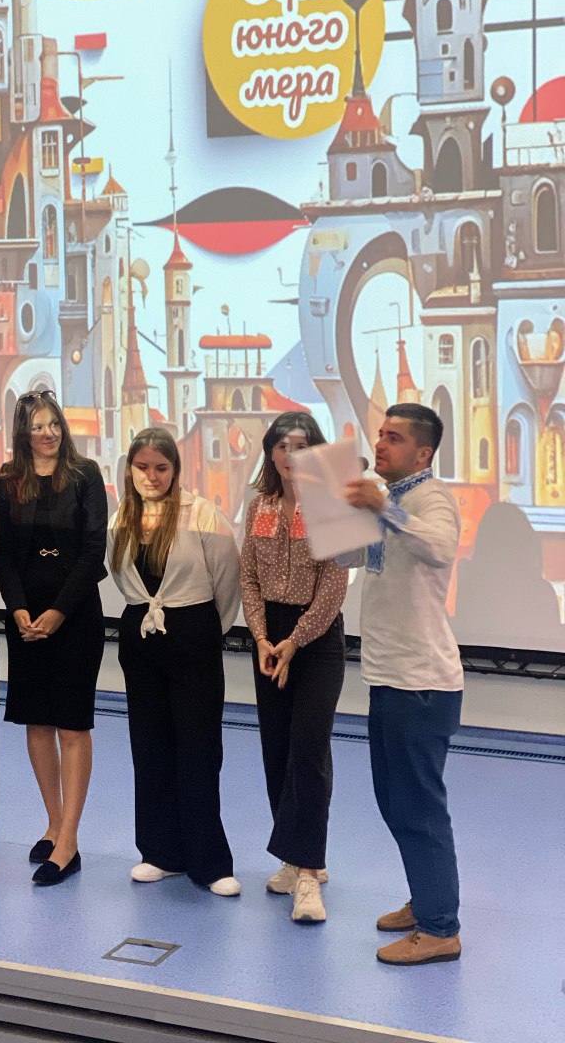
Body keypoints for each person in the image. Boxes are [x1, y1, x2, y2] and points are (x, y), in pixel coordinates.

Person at [344, 403, 463, 965]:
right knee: (395, 803)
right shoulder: (389, 500)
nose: (380, 444)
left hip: (421, 684)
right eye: (380, 434)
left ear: (423, 453)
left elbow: (439, 547)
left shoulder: (430, 498)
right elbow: (349, 558)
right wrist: (333, 510)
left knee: (419, 808)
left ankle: (440, 928)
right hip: (389, 677)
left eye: (393, 438)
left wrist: (381, 508)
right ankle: (427, 899)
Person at [108, 427, 242, 897]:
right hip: (141, 639)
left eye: (161, 468)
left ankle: (209, 861)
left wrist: (202, 631)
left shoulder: (203, 514)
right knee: (149, 746)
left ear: (175, 470)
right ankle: (161, 852)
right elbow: (120, 575)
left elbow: (227, 582)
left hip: (193, 634)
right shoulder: (121, 518)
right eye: (142, 467)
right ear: (129, 469)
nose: (151, 476)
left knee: (199, 750)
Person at [0, 389, 107, 887]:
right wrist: (18, 608)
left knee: (71, 726)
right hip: (25, 621)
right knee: (36, 722)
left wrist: (59, 612)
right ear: (23, 432)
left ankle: (69, 842)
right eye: (38, 426)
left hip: (75, 618)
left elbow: (93, 551)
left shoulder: (86, 475)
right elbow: (2, 553)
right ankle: (54, 822)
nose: (48, 433)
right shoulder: (8, 479)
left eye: (54, 424)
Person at [239, 412, 348, 922]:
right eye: (282, 445)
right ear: (270, 452)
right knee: (277, 749)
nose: (290, 454)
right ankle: (292, 856)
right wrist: (263, 638)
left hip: (316, 639)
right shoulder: (258, 506)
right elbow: (248, 578)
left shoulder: (332, 505)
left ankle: (309, 872)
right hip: (270, 637)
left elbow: (334, 586)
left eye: (301, 445)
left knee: (308, 750)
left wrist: (293, 641)